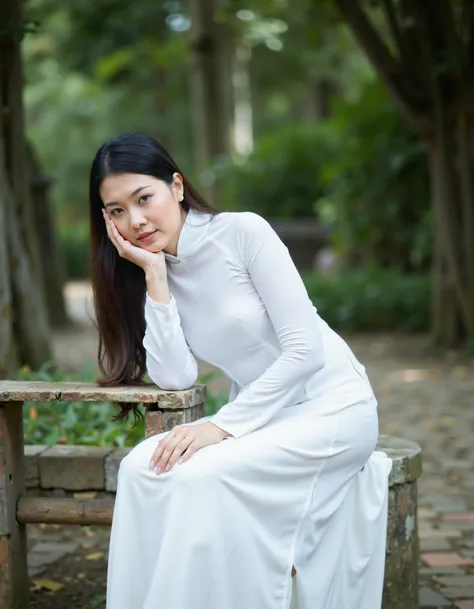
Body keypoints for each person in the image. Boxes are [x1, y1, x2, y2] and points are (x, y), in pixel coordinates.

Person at [89, 132, 392, 609]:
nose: (137, 220)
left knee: (193, 479)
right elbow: (174, 376)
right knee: (138, 470)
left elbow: (305, 350)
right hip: (265, 419)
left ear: (177, 186)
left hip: (333, 408)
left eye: (143, 198)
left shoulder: (242, 233)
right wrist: (154, 275)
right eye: (117, 211)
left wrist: (220, 426)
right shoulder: (153, 270)